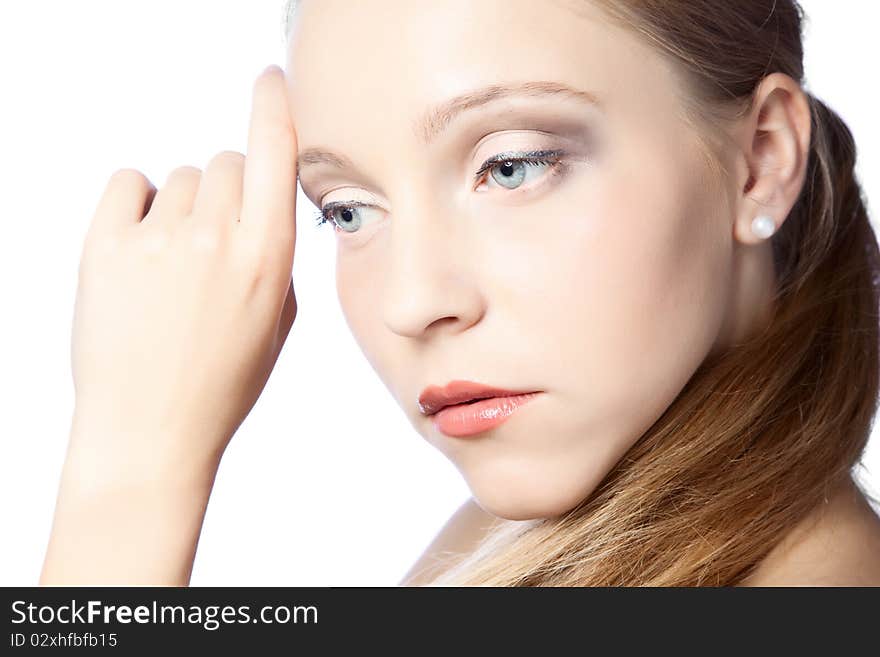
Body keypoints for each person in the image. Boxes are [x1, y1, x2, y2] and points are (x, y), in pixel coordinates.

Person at [40, 0, 880, 586]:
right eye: (348, 208)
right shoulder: (543, 537)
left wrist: (130, 473)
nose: (410, 301)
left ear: (762, 158)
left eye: (509, 166)